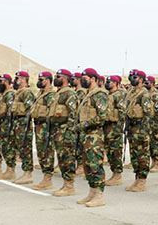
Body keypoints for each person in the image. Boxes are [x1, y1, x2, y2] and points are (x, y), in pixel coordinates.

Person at [76, 68, 109, 207]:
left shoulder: (99, 95)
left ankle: (100, 195)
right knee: (87, 165)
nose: (83, 79)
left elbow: (102, 116)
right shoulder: (87, 94)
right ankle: (92, 192)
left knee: (95, 165)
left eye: (86, 77)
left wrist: (84, 124)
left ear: (94, 79)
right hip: (86, 135)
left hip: (94, 135)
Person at [49, 69, 80, 196]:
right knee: (61, 158)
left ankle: (69, 186)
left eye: (59, 76)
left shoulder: (69, 93)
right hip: (58, 131)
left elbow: (74, 113)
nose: (56, 78)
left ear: (66, 78)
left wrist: (69, 132)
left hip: (66, 131)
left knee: (67, 159)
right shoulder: (59, 93)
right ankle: (65, 184)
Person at [124, 70, 153, 192]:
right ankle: (137, 178)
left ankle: (142, 180)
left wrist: (144, 130)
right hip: (132, 127)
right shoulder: (131, 92)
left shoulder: (144, 94)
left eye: (135, 77)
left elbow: (148, 113)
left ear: (141, 79)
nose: (132, 79)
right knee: (134, 154)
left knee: (142, 155)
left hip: (140, 128)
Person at [30, 72, 57, 191]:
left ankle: (48, 178)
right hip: (38, 126)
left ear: (47, 80)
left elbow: (50, 112)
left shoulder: (51, 95)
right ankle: (45, 176)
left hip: (46, 127)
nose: (39, 81)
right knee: (41, 152)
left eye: (41, 79)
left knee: (47, 152)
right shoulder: (40, 94)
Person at [12, 71, 37, 185]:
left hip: (24, 124)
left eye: (18, 78)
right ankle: (25, 172)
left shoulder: (27, 92)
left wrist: (26, 125)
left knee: (26, 148)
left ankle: (28, 174)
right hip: (18, 123)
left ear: (24, 79)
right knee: (21, 148)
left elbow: (30, 110)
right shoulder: (18, 92)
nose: (16, 80)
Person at [103, 75, 127, 187]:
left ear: (116, 83)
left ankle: (117, 175)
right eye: (107, 81)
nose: (108, 83)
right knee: (109, 151)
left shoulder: (120, 95)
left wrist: (119, 128)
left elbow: (122, 112)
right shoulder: (108, 95)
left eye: (111, 81)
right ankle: (114, 173)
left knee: (116, 151)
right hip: (107, 127)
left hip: (115, 128)